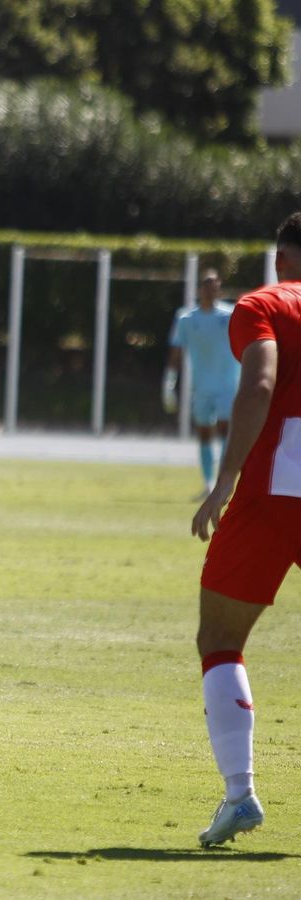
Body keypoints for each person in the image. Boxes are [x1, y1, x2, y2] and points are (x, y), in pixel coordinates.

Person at [187, 212, 301, 847]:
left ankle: (241, 794)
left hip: (271, 491)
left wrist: (223, 482)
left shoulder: (263, 303)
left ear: (281, 261)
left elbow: (259, 384)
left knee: (221, 637)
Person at [165, 270, 239, 496]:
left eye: (214, 285)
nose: (210, 289)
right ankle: (208, 483)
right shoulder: (186, 318)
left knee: (226, 431)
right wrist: (170, 381)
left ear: (219, 289)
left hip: (228, 385)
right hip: (202, 386)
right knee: (204, 433)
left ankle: (222, 481)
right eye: (206, 285)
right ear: (200, 289)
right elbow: (176, 350)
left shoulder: (230, 315)